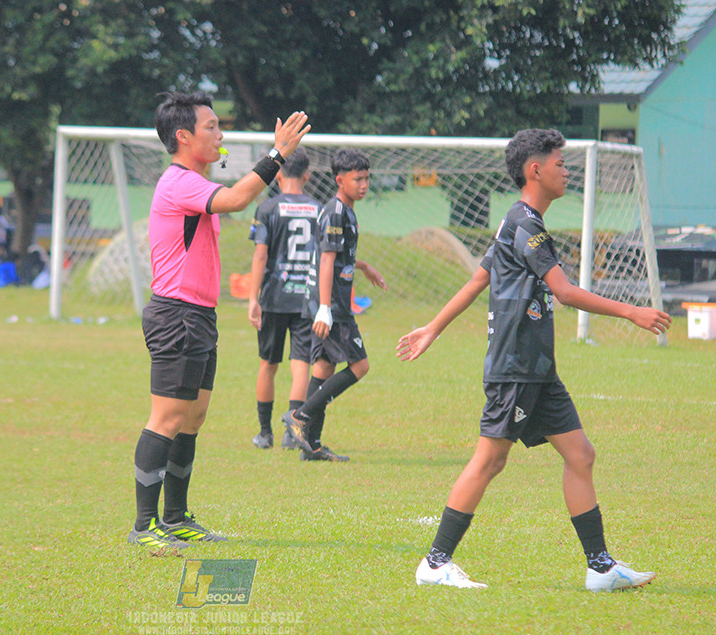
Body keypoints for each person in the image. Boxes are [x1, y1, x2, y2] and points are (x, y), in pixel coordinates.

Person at [395, 128, 671, 591]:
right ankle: (436, 562)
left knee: (580, 455)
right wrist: (631, 311)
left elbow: (476, 280)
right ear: (535, 170)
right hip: (515, 365)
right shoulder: (524, 223)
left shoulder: (518, 222)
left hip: (538, 367)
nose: (567, 170)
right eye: (560, 163)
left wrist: (433, 327)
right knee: (490, 460)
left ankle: (601, 568)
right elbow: (562, 291)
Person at [128, 91, 310, 549]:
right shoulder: (178, 182)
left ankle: (175, 517)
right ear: (184, 136)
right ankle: (144, 527)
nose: (220, 134)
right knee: (167, 416)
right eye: (211, 127)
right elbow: (236, 198)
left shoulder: (194, 180)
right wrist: (278, 154)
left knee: (193, 418)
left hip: (199, 316)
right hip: (176, 315)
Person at [282, 149, 386, 462]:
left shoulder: (345, 211)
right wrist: (325, 308)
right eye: (358, 179)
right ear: (340, 180)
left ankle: (310, 445)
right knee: (360, 366)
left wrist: (363, 266)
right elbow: (326, 260)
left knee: (324, 368)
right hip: (333, 305)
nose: (364, 184)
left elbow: (335, 253)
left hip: (328, 301)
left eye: (367, 178)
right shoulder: (336, 212)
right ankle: (299, 416)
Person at [247, 147, 319, 450]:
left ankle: (265, 434)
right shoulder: (319, 208)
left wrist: (253, 298)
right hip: (306, 297)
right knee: (301, 364)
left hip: (274, 297)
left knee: (268, 364)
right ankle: (293, 432)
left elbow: (261, 253)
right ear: (307, 176)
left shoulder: (267, 208)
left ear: (278, 174)